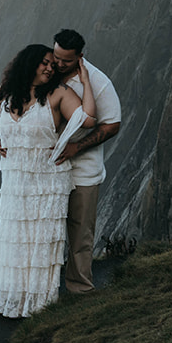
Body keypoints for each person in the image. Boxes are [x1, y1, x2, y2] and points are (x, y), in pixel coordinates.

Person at [0, 43, 96, 318]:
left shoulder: (59, 94)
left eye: (52, 64)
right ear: (29, 63)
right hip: (15, 180)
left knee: (41, 243)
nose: (50, 68)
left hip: (47, 182)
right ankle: (13, 299)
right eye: (43, 63)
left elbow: (89, 120)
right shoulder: (6, 92)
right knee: (15, 240)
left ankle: (38, 307)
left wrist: (85, 81)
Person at [48, 29, 121, 294]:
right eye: (56, 56)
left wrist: (77, 147)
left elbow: (112, 124)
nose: (58, 64)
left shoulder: (98, 82)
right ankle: (44, 291)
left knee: (80, 235)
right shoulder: (46, 73)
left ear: (80, 56)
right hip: (48, 171)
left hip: (83, 173)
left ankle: (80, 290)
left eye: (65, 61)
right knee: (46, 232)